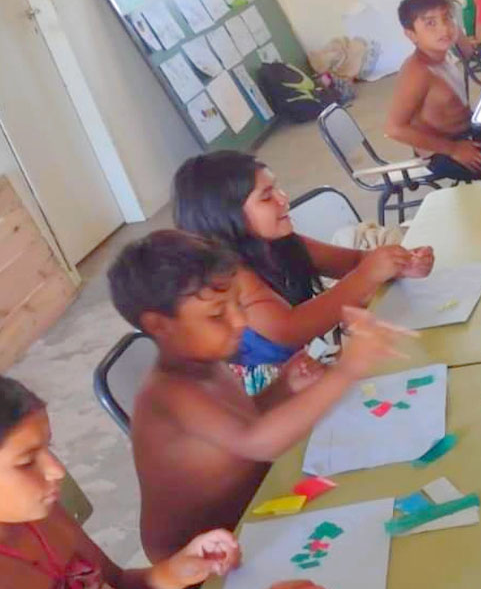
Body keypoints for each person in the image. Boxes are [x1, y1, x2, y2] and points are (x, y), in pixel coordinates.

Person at [108, 230, 406, 561]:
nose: (239, 321)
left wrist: (284, 387)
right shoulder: (169, 393)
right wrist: (347, 369)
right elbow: (259, 443)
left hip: (256, 513)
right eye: (218, 313)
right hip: (202, 562)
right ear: (161, 325)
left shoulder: (207, 359)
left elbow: (238, 425)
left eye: (238, 303)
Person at [0, 375, 333, 589]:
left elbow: (118, 584)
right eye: (27, 460)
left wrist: (177, 570)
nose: (56, 470)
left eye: (50, 448)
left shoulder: (43, 511)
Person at [173, 151, 433, 394]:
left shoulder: (281, 241)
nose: (283, 198)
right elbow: (291, 327)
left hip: (304, 373)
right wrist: (367, 274)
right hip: (265, 402)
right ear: (226, 217)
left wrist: (401, 264)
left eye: (277, 188)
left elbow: (351, 261)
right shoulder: (230, 275)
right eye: (266, 197)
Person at [387, 0, 481, 181]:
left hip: (469, 132)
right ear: (411, 35)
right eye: (430, 23)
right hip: (444, 151)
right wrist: (453, 149)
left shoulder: (442, 54)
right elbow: (394, 128)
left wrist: (455, 29)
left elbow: (468, 50)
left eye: (447, 19)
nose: (444, 29)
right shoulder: (417, 72)